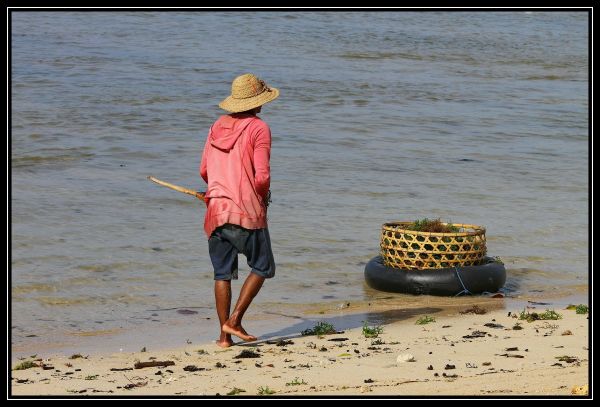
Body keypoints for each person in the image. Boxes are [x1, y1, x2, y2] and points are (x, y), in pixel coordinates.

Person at [199, 73, 279, 348]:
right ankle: (234, 321)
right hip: (245, 211)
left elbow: (204, 171)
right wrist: (263, 196)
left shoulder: (216, 126)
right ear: (258, 101)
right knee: (263, 266)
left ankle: (224, 338)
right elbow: (262, 177)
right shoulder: (259, 128)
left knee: (222, 274)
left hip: (215, 211)